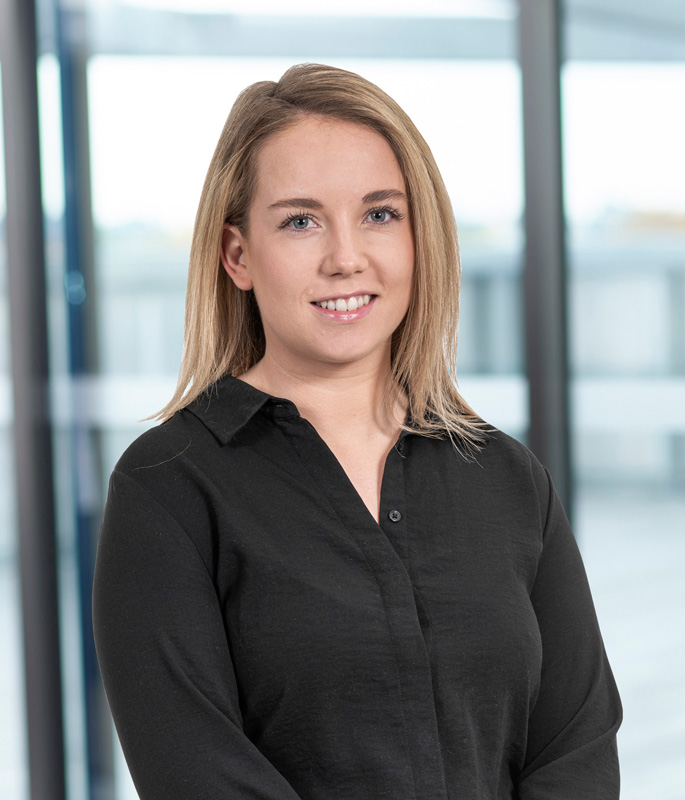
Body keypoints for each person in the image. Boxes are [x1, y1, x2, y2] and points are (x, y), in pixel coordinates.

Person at [92, 63, 622, 800]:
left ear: (419, 237)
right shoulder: (169, 486)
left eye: (380, 215)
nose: (347, 259)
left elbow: (577, 751)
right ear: (238, 255)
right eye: (300, 221)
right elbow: (198, 774)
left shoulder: (507, 478)